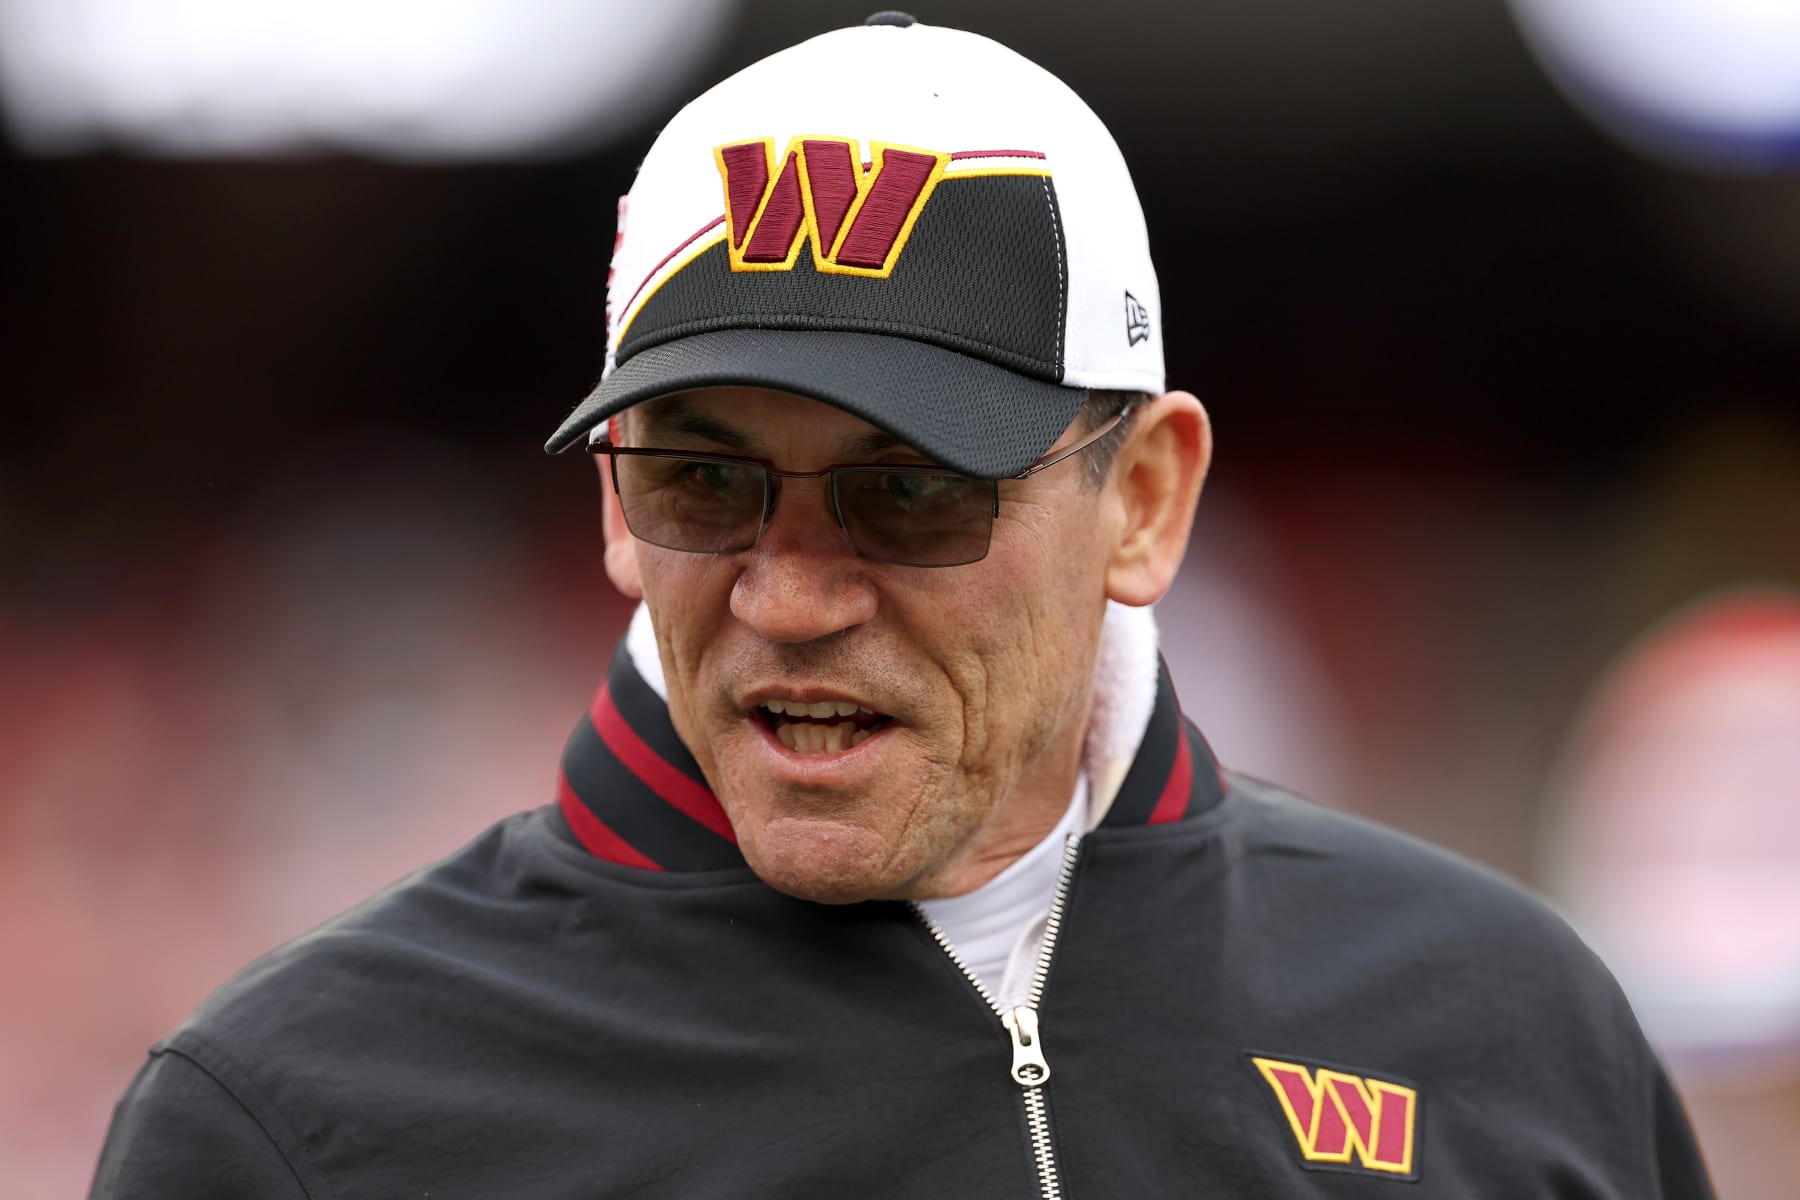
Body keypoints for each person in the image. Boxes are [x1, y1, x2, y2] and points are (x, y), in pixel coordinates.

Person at [90, 14, 1714, 1197]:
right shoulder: (294, 1120)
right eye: (704, 483)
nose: (790, 597)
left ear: (1145, 499)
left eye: (912, 488)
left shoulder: (1504, 1025)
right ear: (608, 504)